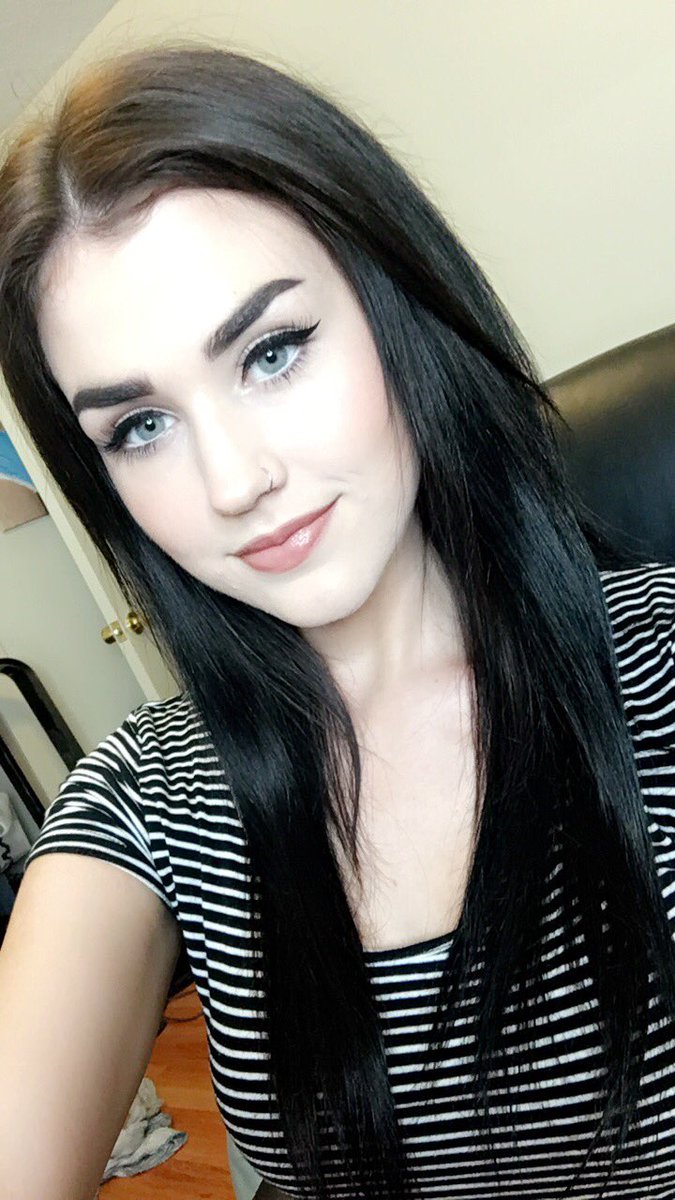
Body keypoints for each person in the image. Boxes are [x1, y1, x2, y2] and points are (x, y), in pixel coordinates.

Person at [0, 43, 673, 1200]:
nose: (234, 481)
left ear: (396, 301)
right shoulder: (149, 801)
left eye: (272, 352)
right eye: (140, 427)